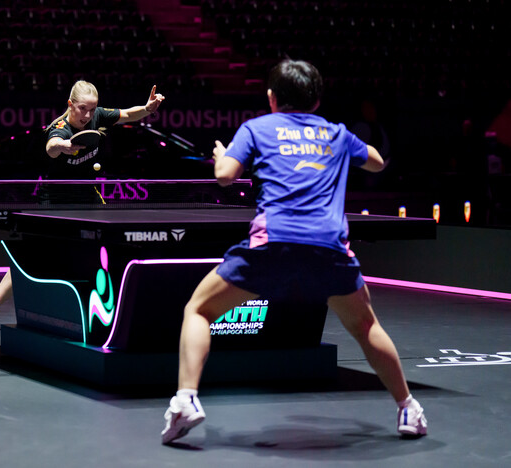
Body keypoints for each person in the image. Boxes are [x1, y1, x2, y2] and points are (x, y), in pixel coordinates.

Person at [160, 59, 427, 444]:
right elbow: (376, 162)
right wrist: (341, 146)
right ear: (316, 101)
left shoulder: (256, 128)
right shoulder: (337, 133)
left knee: (198, 310)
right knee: (365, 327)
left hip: (273, 246)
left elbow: (224, 176)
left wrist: (222, 156)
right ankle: (408, 409)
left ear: (271, 98)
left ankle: (186, 400)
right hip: (328, 248)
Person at [0, 80, 165, 332]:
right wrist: (62, 145)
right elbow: (51, 147)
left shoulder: (97, 116)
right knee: (32, 254)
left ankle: (111, 310)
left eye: (91, 109)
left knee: (108, 247)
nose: (87, 115)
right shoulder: (60, 128)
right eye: (82, 108)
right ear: (70, 104)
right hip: (54, 199)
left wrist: (147, 108)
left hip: (86, 195)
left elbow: (128, 114)